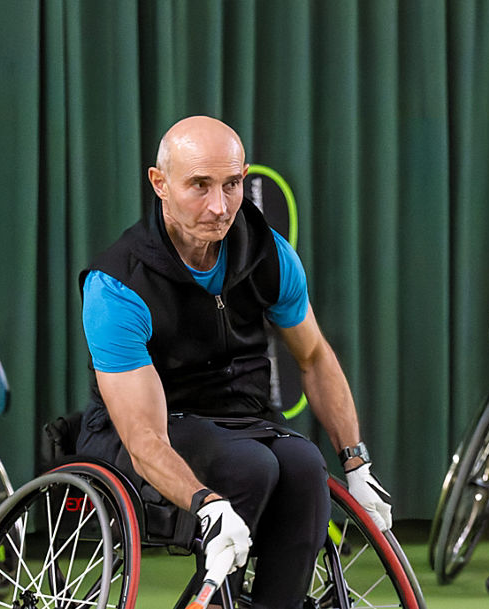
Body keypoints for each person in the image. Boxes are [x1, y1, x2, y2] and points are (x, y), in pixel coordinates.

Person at [75, 116, 391, 609]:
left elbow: (313, 356)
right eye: (199, 186)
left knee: (306, 465)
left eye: (232, 184)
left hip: (240, 422)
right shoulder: (117, 285)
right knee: (250, 467)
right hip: (140, 437)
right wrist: (206, 502)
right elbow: (142, 439)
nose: (219, 207)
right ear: (160, 184)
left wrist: (355, 462)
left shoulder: (268, 254)